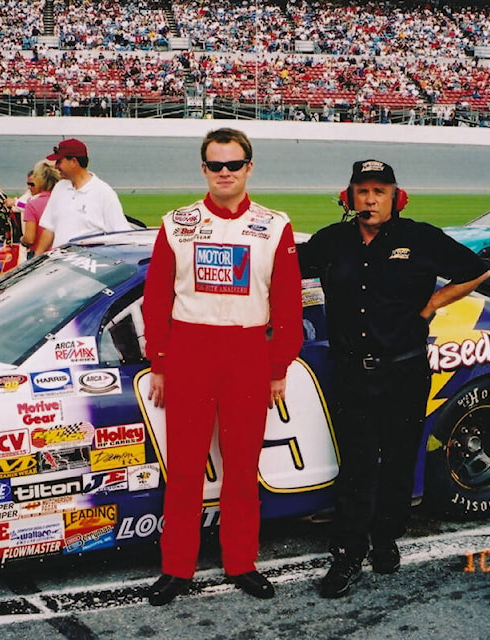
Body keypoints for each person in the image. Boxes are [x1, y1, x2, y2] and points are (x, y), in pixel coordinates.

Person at [298, 160, 490, 599]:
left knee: (400, 460)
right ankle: (348, 553)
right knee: (357, 466)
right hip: (350, 372)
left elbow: (477, 271)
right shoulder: (331, 240)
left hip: (405, 369)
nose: (370, 199)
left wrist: (430, 305)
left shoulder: (419, 237)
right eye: (362, 191)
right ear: (349, 197)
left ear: (395, 197)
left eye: (379, 191)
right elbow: (284, 269)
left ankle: (386, 538)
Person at [142, 128, 303, 606]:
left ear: (249, 167)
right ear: (204, 169)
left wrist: (278, 367)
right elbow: (156, 300)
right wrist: (161, 362)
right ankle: (176, 567)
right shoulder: (177, 223)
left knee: (240, 467)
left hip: (248, 354)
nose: (226, 173)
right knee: (187, 469)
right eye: (216, 165)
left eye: (234, 164)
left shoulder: (275, 225)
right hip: (190, 352)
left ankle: (241, 562)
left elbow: (288, 306)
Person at [33, 138, 130, 254]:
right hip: (59, 264)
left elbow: (121, 234)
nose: (56, 166)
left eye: (59, 161)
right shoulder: (59, 188)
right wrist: (36, 259)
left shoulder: (104, 192)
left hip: (87, 266)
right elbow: (49, 228)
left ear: (73, 162)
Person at [20, 160, 61, 255]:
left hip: (39, 252)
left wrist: (22, 239)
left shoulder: (32, 204)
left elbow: (29, 239)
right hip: (60, 253)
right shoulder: (63, 200)